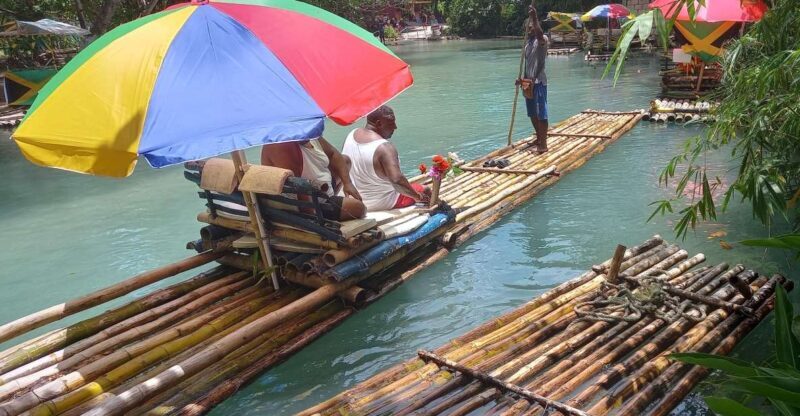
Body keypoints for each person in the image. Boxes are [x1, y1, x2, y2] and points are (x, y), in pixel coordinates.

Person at [341, 106, 430, 212]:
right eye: (391, 123)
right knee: (426, 190)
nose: (395, 127)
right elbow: (397, 180)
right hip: (381, 202)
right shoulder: (385, 148)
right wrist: (418, 196)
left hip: (354, 199)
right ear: (379, 123)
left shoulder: (352, 134)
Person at [261, 138, 366, 221]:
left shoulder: (311, 134)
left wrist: (348, 183)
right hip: (305, 202)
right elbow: (299, 187)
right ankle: (327, 208)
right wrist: (314, 220)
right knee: (359, 208)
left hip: (319, 188)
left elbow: (333, 153)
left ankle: (331, 199)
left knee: (345, 161)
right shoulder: (281, 144)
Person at [517, 2, 549, 153]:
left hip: (539, 82)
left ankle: (544, 143)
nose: (530, 30)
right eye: (528, 28)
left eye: (532, 27)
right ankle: (539, 137)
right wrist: (522, 80)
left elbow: (539, 33)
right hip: (528, 83)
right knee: (532, 113)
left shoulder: (542, 41)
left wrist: (535, 17)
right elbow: (526, 65)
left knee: (541, 112)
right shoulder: (527, 44)